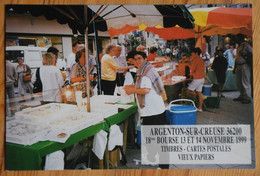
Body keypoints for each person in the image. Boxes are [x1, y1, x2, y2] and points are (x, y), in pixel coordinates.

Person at [123, 51, 168, 169]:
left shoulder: (145, 72)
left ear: (144, 59)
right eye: (135, 59)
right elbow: (141, 86)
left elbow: (146, 90)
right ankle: (153, 159)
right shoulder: (143, 69)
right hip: (151, 110)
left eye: (140, 58)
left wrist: (131, 90)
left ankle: (164, 167)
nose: (137, 61)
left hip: (154, 111)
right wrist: (131, 87)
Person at [233, 34, 253, 104]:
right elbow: (237, 58)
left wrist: (246, 54)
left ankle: (247, 97)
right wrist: (234, 67)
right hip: (238, 65)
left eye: (236, 38)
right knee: (239, 82)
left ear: (240, 38)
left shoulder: (246, 45)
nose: (235, 39)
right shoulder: (238, 46)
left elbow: (253, 52)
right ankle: (242, 95)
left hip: (245, 65)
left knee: (245, 81)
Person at [185, 47, 205, 112]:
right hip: (202, 78)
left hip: (197, 78)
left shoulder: (196, 60)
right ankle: (200, 107)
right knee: (199, 92)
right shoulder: (201, 59)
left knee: (188, 90)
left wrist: (188, 64)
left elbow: (192, 69)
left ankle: (195, 99)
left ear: (196, 53)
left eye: (192, 53)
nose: (192, 54)